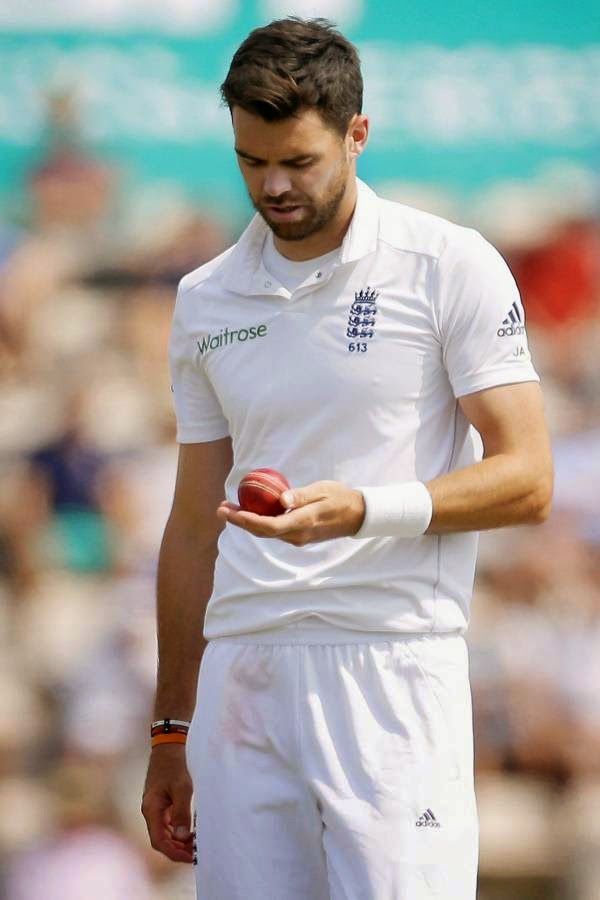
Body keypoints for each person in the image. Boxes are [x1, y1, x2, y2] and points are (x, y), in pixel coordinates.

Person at [141, 17, 553, 900]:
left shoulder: (450, 264)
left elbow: (529, 478)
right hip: (242, 673)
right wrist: (170, 730)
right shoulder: (205, 297)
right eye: (252, 162)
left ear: (357, 134)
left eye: (299, 160)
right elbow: (189, 524)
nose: (274, 186)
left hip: (392, 665)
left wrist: (365, 509)